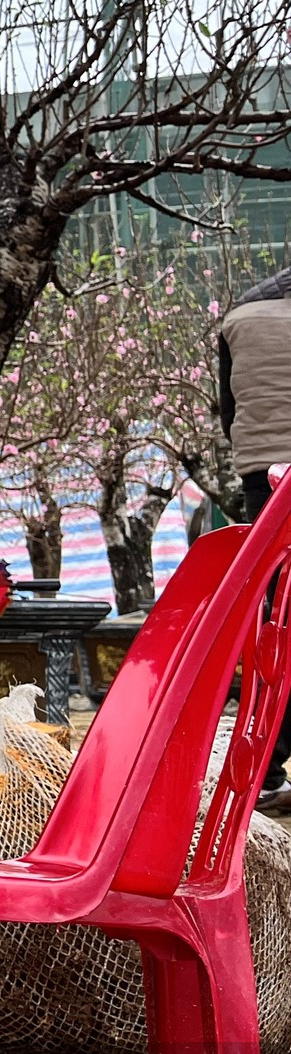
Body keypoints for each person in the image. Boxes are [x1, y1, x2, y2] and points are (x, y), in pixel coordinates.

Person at [218, 266, 291, 813]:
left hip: (262, 475)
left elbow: (229, 413)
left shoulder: (239, 316)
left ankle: (264, 768)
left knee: (278, 616)